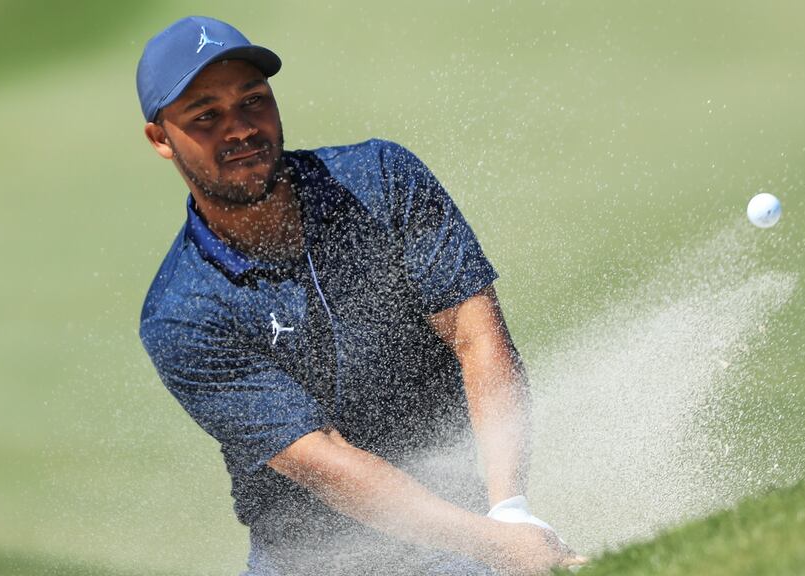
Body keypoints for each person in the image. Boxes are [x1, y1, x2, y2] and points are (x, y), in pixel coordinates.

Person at [136, 15, 584, 576]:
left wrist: (510, 513)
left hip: (460, 524)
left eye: (253, 100)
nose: (240, 129)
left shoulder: (381, 179)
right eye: (206, 116)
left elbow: (479, 339)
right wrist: (497, 544)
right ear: (160, 139)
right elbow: (329, 462)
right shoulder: (183, 314)